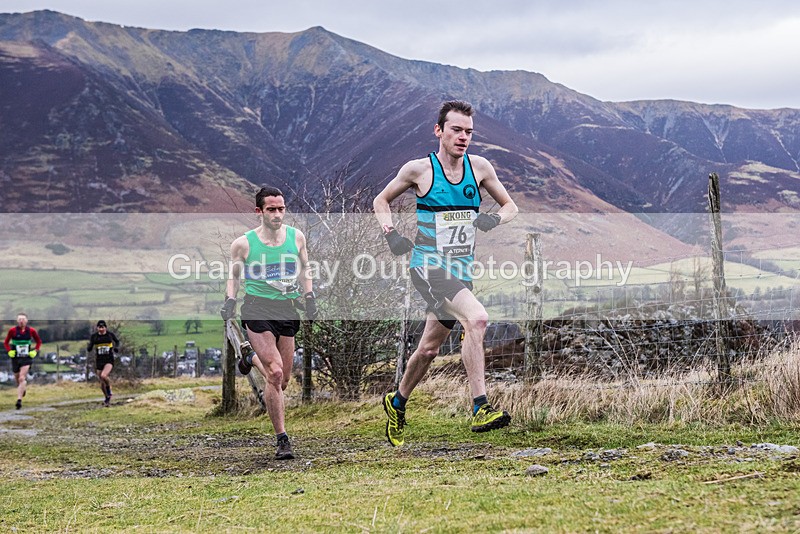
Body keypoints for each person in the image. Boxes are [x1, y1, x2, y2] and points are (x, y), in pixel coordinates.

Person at [373, 100, 519, 446]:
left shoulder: (480, 168)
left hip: (460, 271)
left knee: (428, 350)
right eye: (456, 130)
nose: (463, 137)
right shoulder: (419, 170)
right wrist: (391, 234)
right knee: (478, 319)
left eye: (469, 131)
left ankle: (397, 401)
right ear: (439, 131)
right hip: (427, 266)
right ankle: (481, 407)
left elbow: (511, 206)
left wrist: (493, 218)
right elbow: (381, 200)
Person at [221, 185, 317, 460]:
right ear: (259, 212)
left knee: (283, 381)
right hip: (257, 308)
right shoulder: (244, 244)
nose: (277, 214)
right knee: (274, 374)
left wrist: (309, 295)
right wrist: (230, 300)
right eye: (271, 210)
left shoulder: (296, 237)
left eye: (281, 209)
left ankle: (249, 357)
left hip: (286, 309)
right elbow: (234, 276)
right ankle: (282, 439)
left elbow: (305, 267)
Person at [4, 313, 42, 409]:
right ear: (17, 321)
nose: (21, 321)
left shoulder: (31, 331)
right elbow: (6, 342)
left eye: (23, 319)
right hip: (15, 357)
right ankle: (22, 388)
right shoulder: (12, 331)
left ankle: (19, 400)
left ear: (26, 320)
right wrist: (9, 351)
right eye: (20, 319)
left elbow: (39, 341)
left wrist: (35, 351)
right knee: (18, 380)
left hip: (26, 357)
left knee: (21, 378)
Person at [87, 320, 120, 407]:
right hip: (99, 360)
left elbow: (117, 341)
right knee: (102, 384)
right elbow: (90, 345)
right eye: (99, 327)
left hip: (109, 360)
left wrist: (116, 348)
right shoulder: (94, 337)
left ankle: (109, 390)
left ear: (105, 327)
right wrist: (89, 347)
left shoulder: (110, 335)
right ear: (97, 328)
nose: (101, 329)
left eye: (103, 327)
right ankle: (107, 398)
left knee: (103, 375)